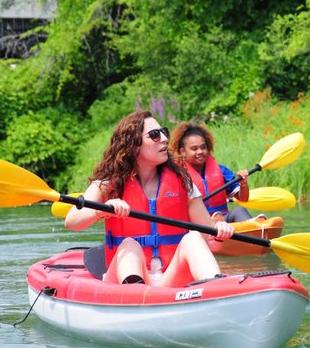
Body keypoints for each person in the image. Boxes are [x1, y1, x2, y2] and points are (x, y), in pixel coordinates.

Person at [64, 110, 234, 287]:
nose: (164, 139)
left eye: (163, 132)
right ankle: (135, 293)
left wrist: (219, 233)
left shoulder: (182, 181)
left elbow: (210, 241)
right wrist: (101, 210)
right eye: (154, 135)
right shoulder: (109, 183)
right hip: (127, 280)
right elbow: (72, 222)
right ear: (133, 144)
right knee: (129, 244)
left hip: (170, 280)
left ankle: (219, 289)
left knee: (193, 239)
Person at [169, 122, 258, 223]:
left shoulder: (221, 171)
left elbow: (243, 199)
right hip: (196, 224)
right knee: (215, 218)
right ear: (183, 151)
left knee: (240, 211)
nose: (200, 152)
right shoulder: (176, 175)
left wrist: (243, 183)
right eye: (194, 149)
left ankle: (257, 229)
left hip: (223, 220)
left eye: (203, 147)